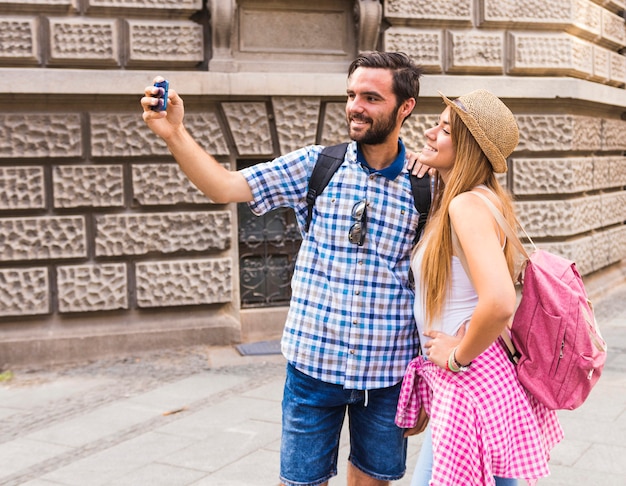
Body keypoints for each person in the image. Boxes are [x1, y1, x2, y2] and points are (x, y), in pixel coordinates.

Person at [141, 51, 430, 486]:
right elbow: (224, 186)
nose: (355, 107)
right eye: (352, 95)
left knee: (373, 481)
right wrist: (174, 133)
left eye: (371, 98)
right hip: (313, 366)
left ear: (404, 107)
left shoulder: (425, 184)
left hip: (387, 373)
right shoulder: (317, 165)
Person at [397, 90, 564, 485]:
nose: (430, 132)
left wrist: (457, 356)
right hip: (484, 377)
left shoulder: (466, 206)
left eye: (444, 129)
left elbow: (501, 301)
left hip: (469, 380)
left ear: (469, 147)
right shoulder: (482, 198)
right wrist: (433, 164)